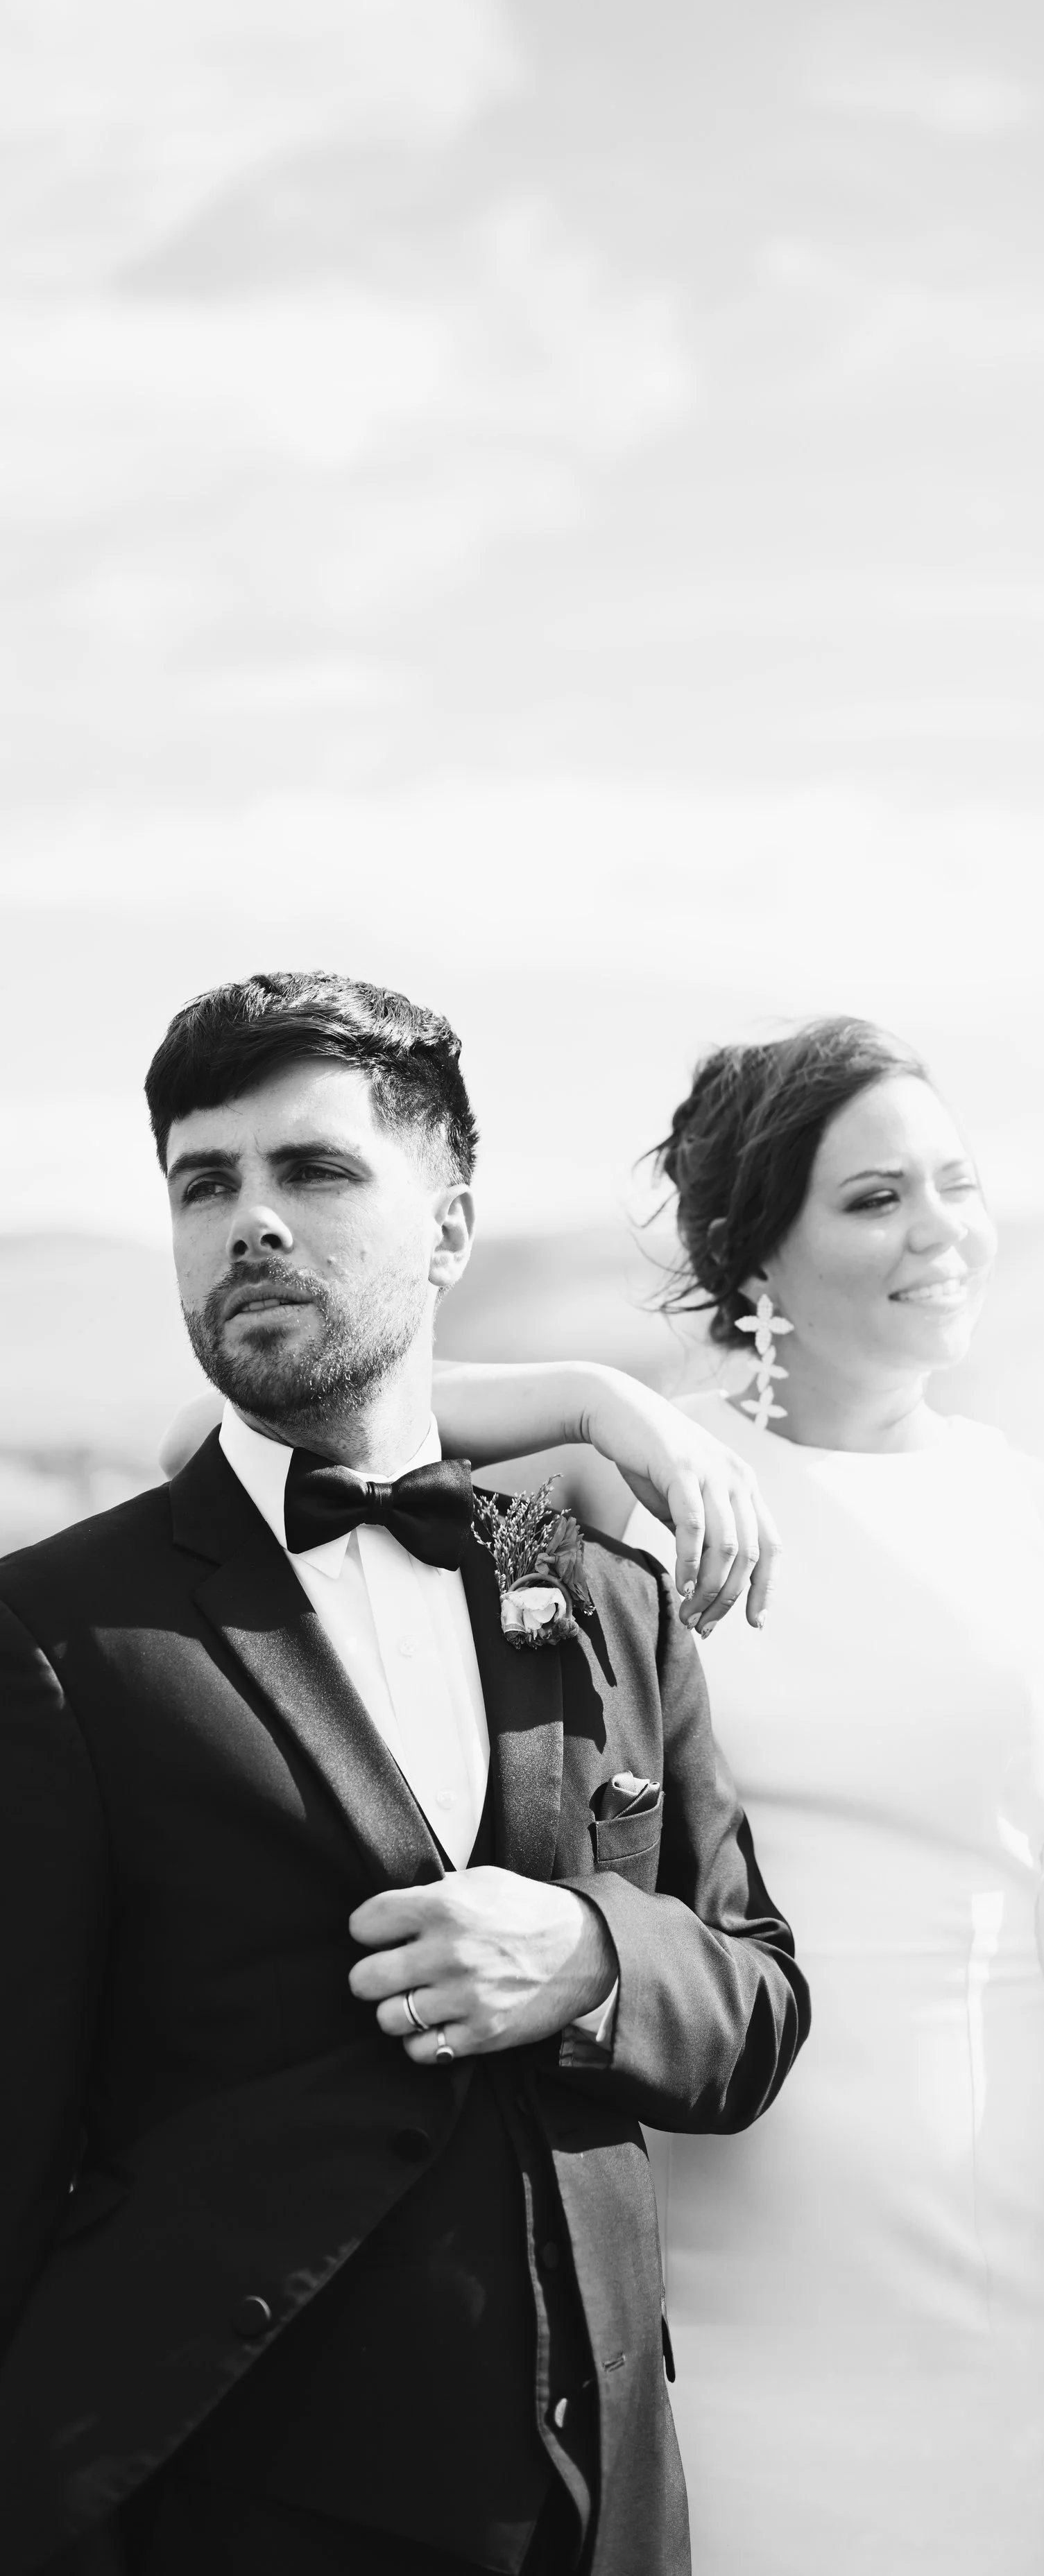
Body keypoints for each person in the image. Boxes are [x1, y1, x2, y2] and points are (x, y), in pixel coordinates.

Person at [0, 972, 809, 2576]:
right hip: (238, 2510)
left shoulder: (585, 1579)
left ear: (448, 1228)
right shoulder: (57, 1630)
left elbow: (756, 2004)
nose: (249, 1222)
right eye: (203, 1184)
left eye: (313, 1172)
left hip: (607, 2512)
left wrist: (590, 1955)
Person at [400, 1017, 1044, 2575]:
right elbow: (252, 1457)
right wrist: (589, 1402)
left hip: (988, 2259)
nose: (938, 1231)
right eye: (874, 1198)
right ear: (754, 1249)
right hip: (699, 2258)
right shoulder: (612, 1504)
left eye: (953, 1183)